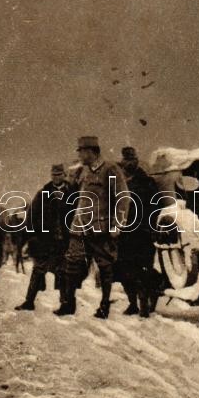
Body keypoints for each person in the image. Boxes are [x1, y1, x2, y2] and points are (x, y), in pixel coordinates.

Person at [56, 136, 128, 319]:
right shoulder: (82, 171)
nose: (79, 155)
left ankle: (104, 306)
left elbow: (123, 197)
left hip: (100, 229)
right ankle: (68, 304)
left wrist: (117, 224)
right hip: (79, 227)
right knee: (72, 264)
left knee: (104, 267)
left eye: (81, 151)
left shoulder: (110, 169)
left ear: (91, 152)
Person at [15, 164, 73, 311]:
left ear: (64, 175)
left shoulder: (72, 193)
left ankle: (65, 304)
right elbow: (31, 216)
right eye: (53, 174)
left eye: (59, 174)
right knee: (38, 269)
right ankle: (29, 302)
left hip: (64, 241)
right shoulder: (43, 193)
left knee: (63, 272)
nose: (56, 177)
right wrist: (31, 237)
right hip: (45, 240)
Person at [115, 147, 160, 318]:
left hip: (143, 233)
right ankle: (132, 303)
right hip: (124, 233)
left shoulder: (147, 182)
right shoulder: (119, 183)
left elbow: (155, 207)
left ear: (136, 161)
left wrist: (152, 228)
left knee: (143, 269)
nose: (129, 163)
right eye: (126, 160)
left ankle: (144, 304)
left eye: (132, 159)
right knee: (124, 270)